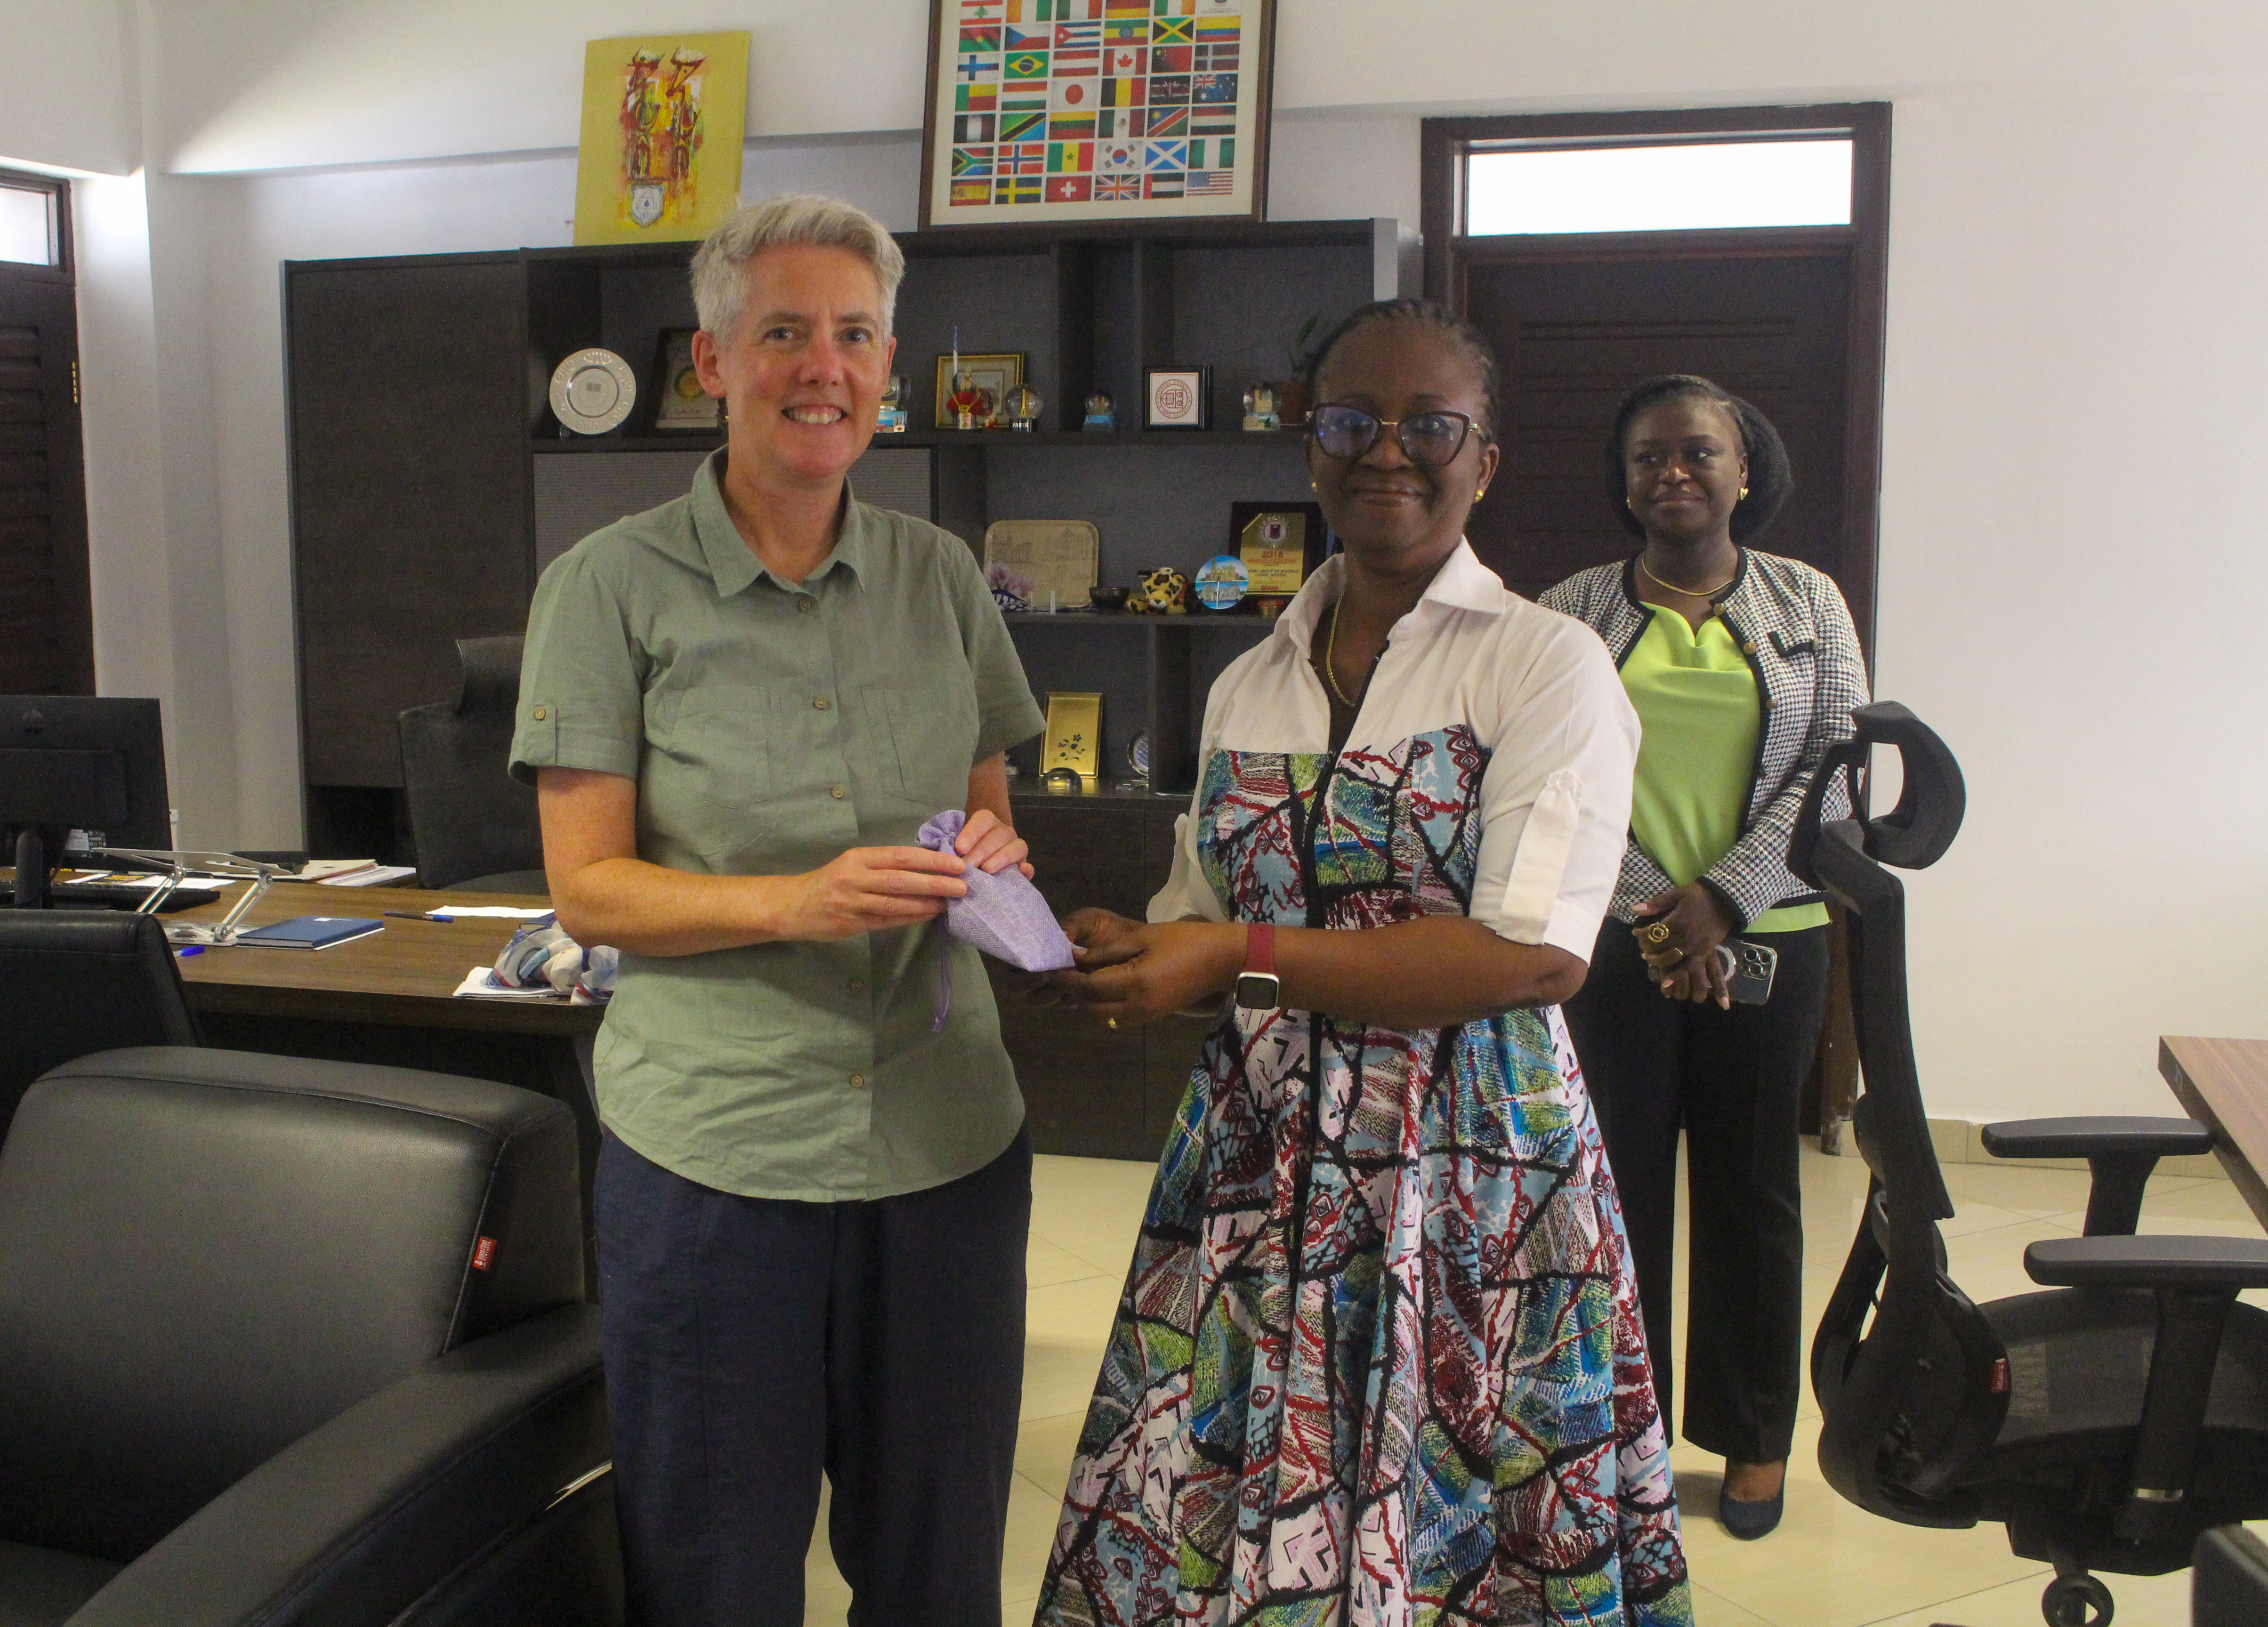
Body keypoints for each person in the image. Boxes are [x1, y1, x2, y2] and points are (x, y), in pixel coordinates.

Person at [1033, 300, 1692, 1626]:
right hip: (1259, 1157)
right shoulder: (1249, 678)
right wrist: (1137, 945)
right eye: (1350, 423)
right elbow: (1204, 903)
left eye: (1430, 427)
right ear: (1308, 447)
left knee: (1456, 1522)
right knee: (1239, 1493)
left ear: (1485, 459)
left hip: (1472, 1175)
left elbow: (1530, 957)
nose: (1388, 453)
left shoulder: (1545, 664)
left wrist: (1232, 952)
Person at [510, 193, 1047, 1626]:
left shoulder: (942, 577)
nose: (825, 365)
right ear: (714, 360)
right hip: (716, 1161)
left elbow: (986, 805)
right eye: (786, 332)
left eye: (856, 335)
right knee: (715, 1566)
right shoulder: (607, 590)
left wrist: (992, 853)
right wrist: (794, 901)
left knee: (937, 1567)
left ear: (891, 363)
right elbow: (589, 889)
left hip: (946, 1144)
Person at [1540, 374, 1868, 1541]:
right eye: (1646, 457)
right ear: (1623, 480)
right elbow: (1549, 781)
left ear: (1745, 469)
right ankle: (1623, 1442)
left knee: (1753, 1195)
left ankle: (1754, 1443)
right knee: (1611, 1194)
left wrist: (1724, 902)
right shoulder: (1573, 608)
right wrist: (1655, 914)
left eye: (1697, 453)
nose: (1671, 474)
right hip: (1615, 948)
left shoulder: (1809, 603)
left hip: (1771, 941)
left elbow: (1838, 772)